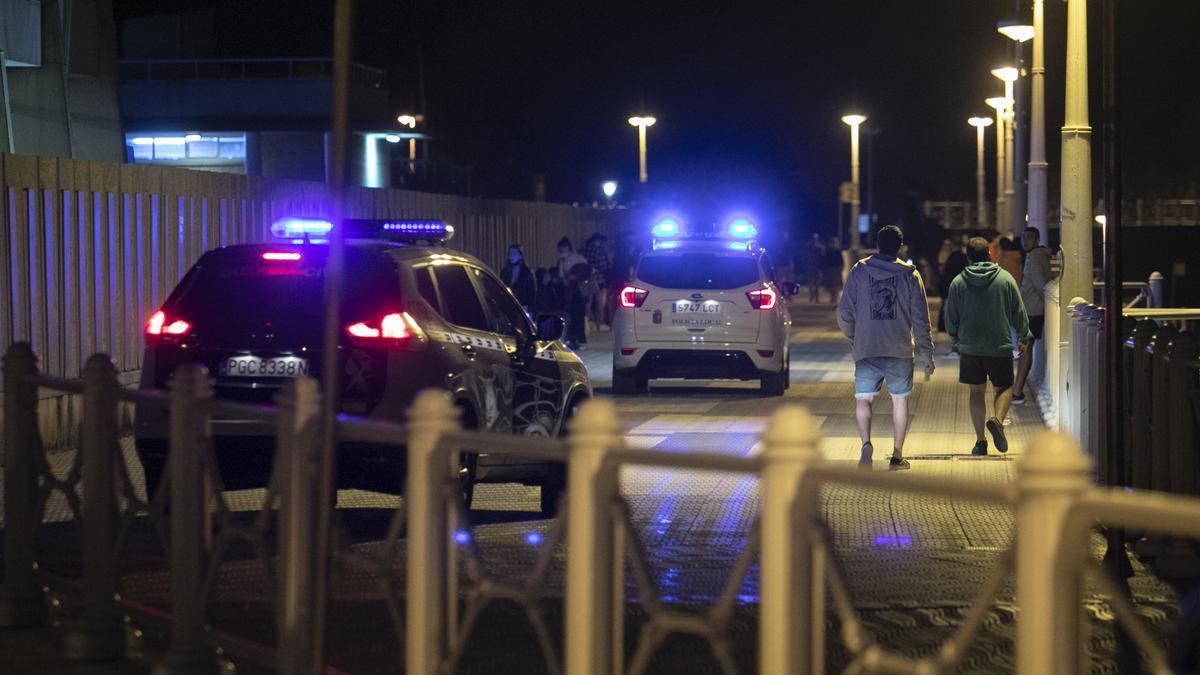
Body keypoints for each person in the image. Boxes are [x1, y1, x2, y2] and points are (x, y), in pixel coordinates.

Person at [837, 225, 935, 471]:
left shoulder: (860, 272)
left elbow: (844, 312)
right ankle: (897, 455)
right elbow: (921, 318)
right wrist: (927, 352)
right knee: (899, 402)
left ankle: (866, 444)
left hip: (866, 347)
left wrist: (854, 337)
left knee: (863, 399)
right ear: (900, 246)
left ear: (877, 244)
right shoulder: (910, 275)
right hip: (899, 349)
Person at [944, 236, 1032, 456]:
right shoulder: (1005, 279)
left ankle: (980, 442)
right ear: (989, 254)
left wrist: (955, 339)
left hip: (970, 346)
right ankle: (997, 420)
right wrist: (1023, 335)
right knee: (1004, 388)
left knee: (976, 392)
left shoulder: (958, 282)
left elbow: (951, 315)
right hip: (998, 344)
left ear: (968, 257)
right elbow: (1018, 310)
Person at [1012, 227, 1052, 404]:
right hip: (1035, 310)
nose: (1025, 241)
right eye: (1023, 237)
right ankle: (1017, 389)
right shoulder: (1040, 256)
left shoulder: (1034, 257)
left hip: (1031, 310)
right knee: (1025, 349)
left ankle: (1017, 390)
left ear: (1037, 240)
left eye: (1029, 238)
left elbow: (1038, 284)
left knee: (1024, 349)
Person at [555, 237, 590, 349]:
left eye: (561, 250)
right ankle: (570, 338)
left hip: (578, 291)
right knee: (570, 316)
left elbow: (586, 271)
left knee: (578, 315)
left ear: (567, 248)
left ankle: (577, 339)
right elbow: (561, 276)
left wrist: (573, 277)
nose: (560, 253)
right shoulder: (562, 261)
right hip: (568, 292)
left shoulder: (578, 258)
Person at [937, 237, 969, 341]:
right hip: (961, 288)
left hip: (949, 288)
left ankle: (947, 330)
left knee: (948, 311)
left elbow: (945, 274)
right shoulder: (962, 257)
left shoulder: (951, 257)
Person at [581, 233, 611, 332]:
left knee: (588, 303)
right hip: (599, 280)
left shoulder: (585, 251)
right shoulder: (599, 251)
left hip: (586, 279)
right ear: (599, 241)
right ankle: (600, 323)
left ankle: (590, 322)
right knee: (600, 303)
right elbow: (604, 266)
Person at [501, 244, 537, 310]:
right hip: (508, 307)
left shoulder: (527, 273)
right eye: (510, 253)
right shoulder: (504, 272)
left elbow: (532, 293)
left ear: (520, 256)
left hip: (523, 307)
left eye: (514, 254)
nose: (511, 256)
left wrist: (530, 308)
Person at [822, 236, 845, 303]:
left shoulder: (838, 252)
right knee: (831, 284)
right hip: (830, 269)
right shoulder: (828, 251)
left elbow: (841, 261)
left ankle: (835, 297)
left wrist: (841, 267)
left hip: (836, 269)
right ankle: (832, 297)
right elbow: (825, 261)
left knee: (836, 284)